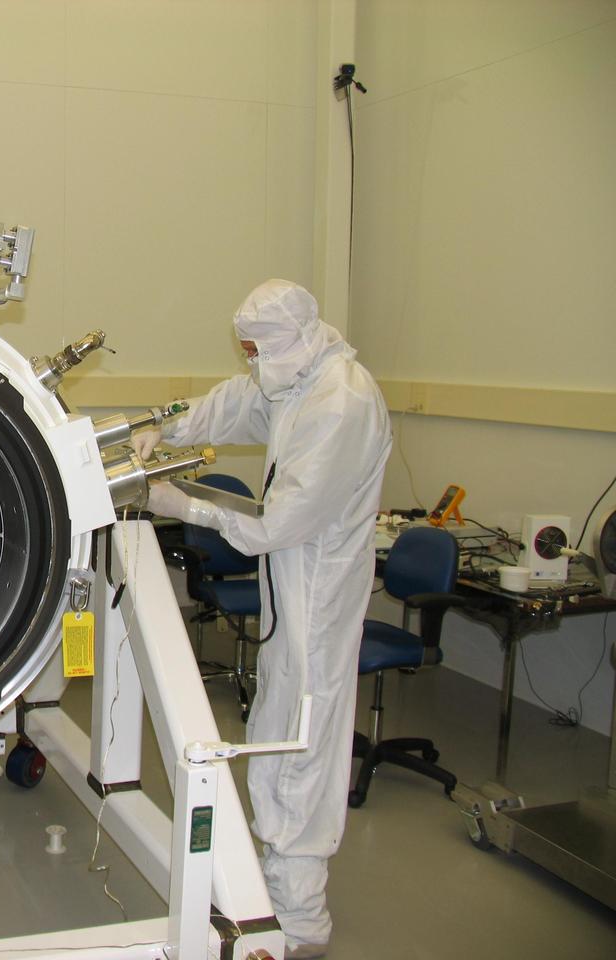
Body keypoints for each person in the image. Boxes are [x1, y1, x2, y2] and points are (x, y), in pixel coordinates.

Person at [135, 279, 390, 959]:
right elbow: (235, 403)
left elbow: (278, 523)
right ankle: (274, 886)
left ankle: (302, 916)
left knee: (305, 734)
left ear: (290, 338)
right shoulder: (293, 379)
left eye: (256, 348)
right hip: (295, 579)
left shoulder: (341, 401)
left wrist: (184, 505)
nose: (251, 359)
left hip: (321, 585)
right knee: (280, 721)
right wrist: (160, 427)